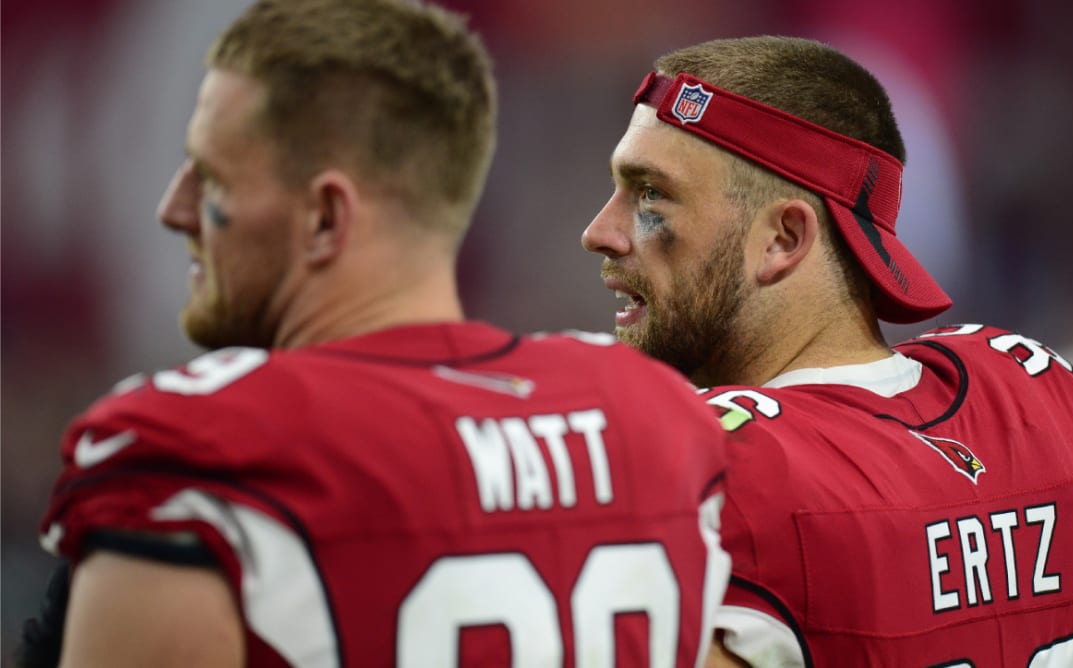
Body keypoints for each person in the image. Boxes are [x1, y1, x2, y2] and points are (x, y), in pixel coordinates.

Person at [24, 1, 733, 665]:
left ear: (327, 217)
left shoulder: (199, 454)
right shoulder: (654, 412)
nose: (173, 209)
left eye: (211, 180)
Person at [582, 36, 1073, 667]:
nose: (600, 232)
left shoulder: (712, 469)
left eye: (650, 193)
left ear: (784, 237)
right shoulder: (1034, 406)